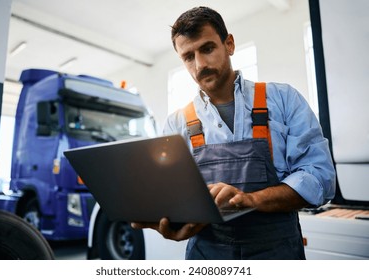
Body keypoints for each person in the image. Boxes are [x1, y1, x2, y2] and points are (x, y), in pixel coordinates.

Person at [132, 6, 336, 260]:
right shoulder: (176, 124)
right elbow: (172, 196)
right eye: (188, 56)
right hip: (207, 256)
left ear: (229, 44)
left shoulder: (283, 99)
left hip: (278, 254)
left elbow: (320, 178)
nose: (200, 64)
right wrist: (174, 223)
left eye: (207, 48)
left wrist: (250, 200)